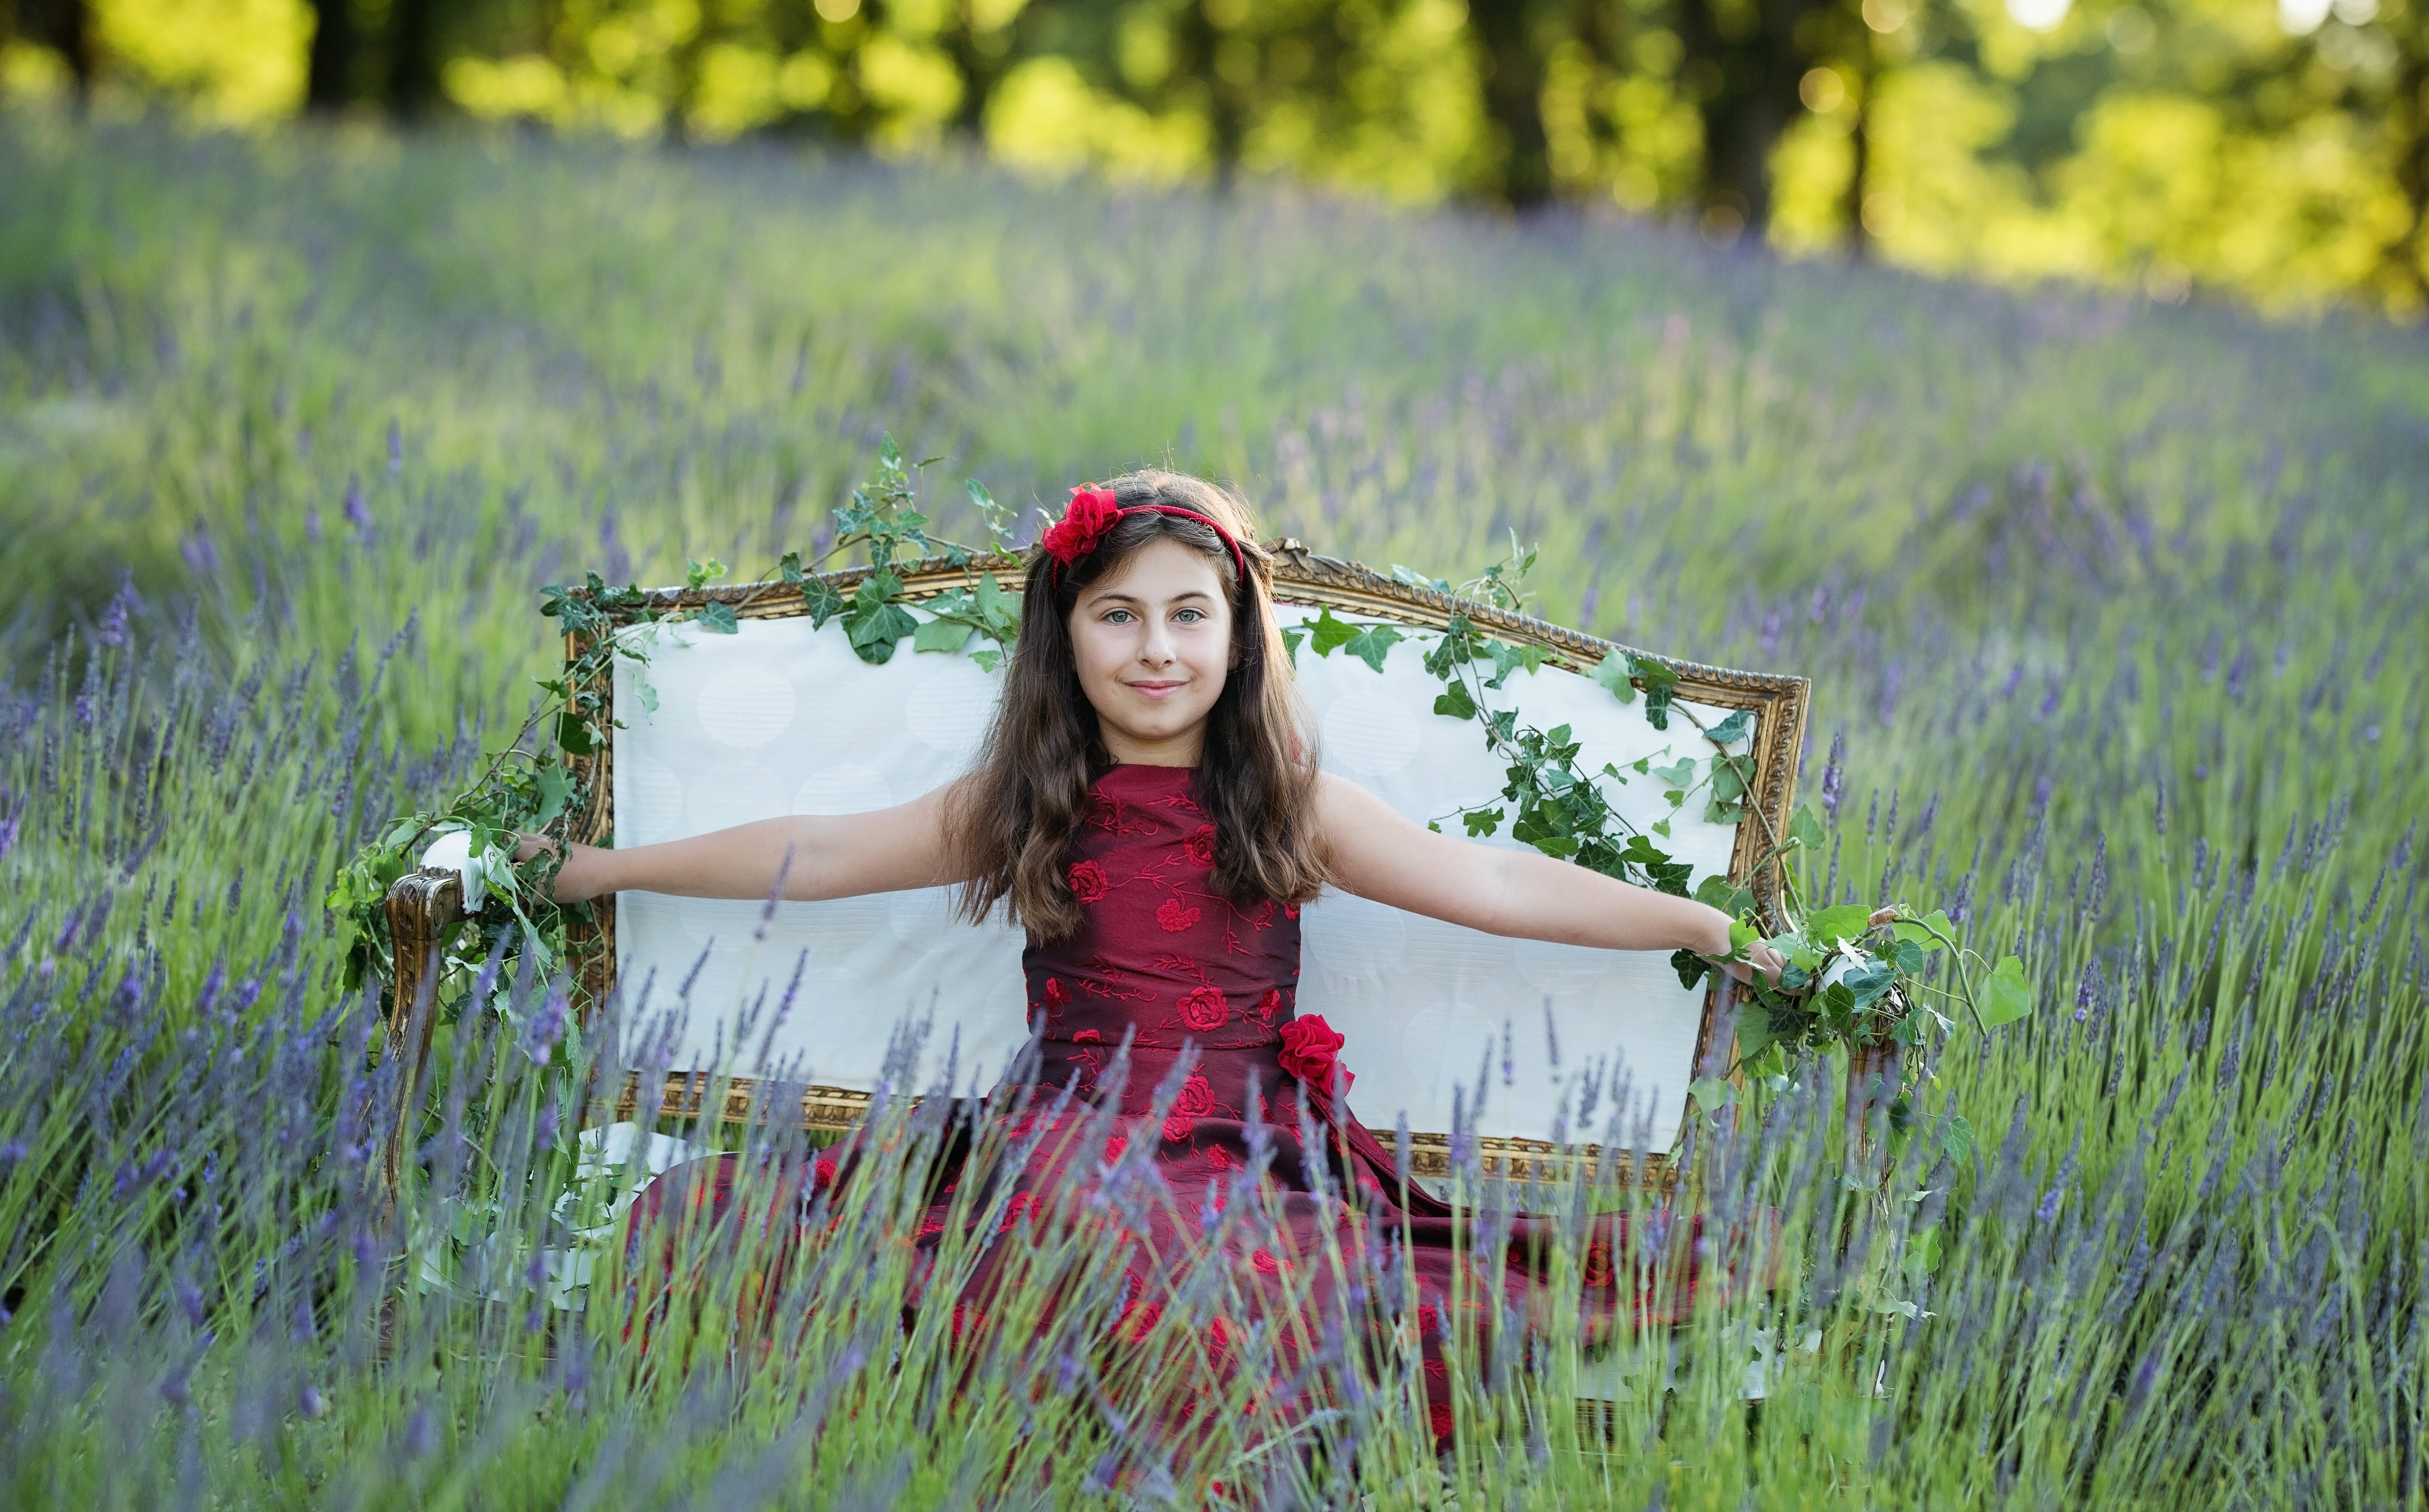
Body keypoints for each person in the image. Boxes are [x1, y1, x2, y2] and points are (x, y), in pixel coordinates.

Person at [528, 469, 1796, 1447]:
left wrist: (1706, 925)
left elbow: (1497, 883)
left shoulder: (1288, 802)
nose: (1156, 650)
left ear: (1239, 636)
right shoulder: (1029, 799)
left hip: (1246, 1140)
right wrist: (609, 869)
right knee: (773, 1231)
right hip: (1066, 1129)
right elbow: (819, 849)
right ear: (1065, 635)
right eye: (1118, 615)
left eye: (1191, 616)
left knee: (1258, 1278)